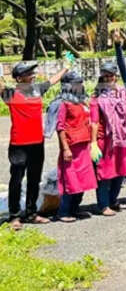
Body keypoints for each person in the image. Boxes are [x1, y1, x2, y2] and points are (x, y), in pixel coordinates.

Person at [2, 61, 67, 230]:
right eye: (29, 73)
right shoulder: (10, 93)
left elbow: (52, 80)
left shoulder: (37, 89)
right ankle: (14, 216)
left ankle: (31, 213)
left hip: (37, 143)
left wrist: (66, 67)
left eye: (32, 72)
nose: (33, 74)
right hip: (18, 145)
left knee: (34, 178)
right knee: (16, 180)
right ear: (19, 78)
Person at [54, 72, 97, 222]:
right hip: (71, 148)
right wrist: (65, 148)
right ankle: (63, 212)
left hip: (84, 146)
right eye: (75, 83)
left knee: (83, 179)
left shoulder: (81, 102)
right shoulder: (63, 103)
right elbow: (60, 128)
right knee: (70, 180)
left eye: (80, 83)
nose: (79, 86)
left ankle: (75, 208)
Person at [89, 63, 126, 215]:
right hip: (106, 141)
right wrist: (93, 143)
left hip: (122, 139)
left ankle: (113, 200)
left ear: (116, 76)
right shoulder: (97, 97)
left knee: (120, 172)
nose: (108, 78)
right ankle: (103, 205)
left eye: (111, 75)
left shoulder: (123, 92)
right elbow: (93, 121)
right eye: (105, 75)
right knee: (105, 174)